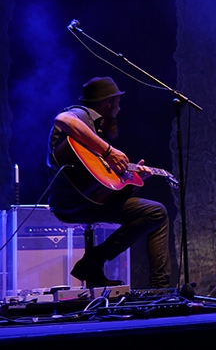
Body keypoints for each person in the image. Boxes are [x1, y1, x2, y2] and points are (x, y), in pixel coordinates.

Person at [47, 76, 171, 288]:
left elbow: (99, 180)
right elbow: (63, 119)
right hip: (74, 203)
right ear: (108, 102)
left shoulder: (92, 132)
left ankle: (96, 267)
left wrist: (131, 178)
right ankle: (96, 261)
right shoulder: (81, 114)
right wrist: (108, 151)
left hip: (89, 201)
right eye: (118, 103)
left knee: (156, 212)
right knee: (157, 212)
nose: (119, 109)